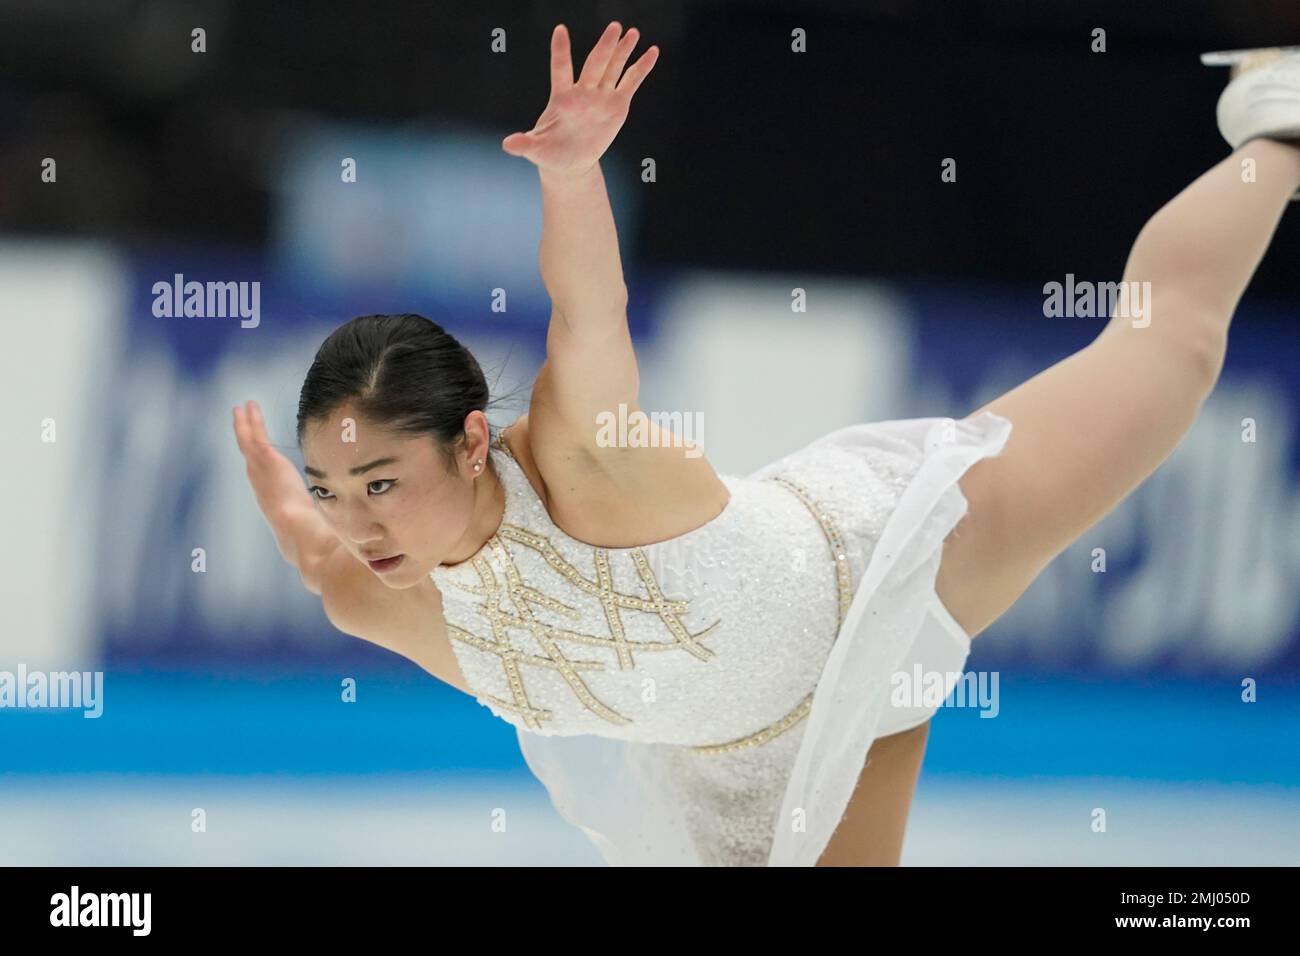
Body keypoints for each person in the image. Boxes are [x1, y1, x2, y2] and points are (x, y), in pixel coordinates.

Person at [233, 25, 1300, 865]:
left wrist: (568, 178)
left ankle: (1273, 125)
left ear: (471, 441)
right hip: (732, 767)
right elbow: (310, 546)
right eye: (334, 486)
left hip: (875, 565)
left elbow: (590, 312)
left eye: (379, 480)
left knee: (1170, 350)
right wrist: (288, 492)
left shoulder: (577, 458)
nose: (356, 517)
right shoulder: (368, 587)